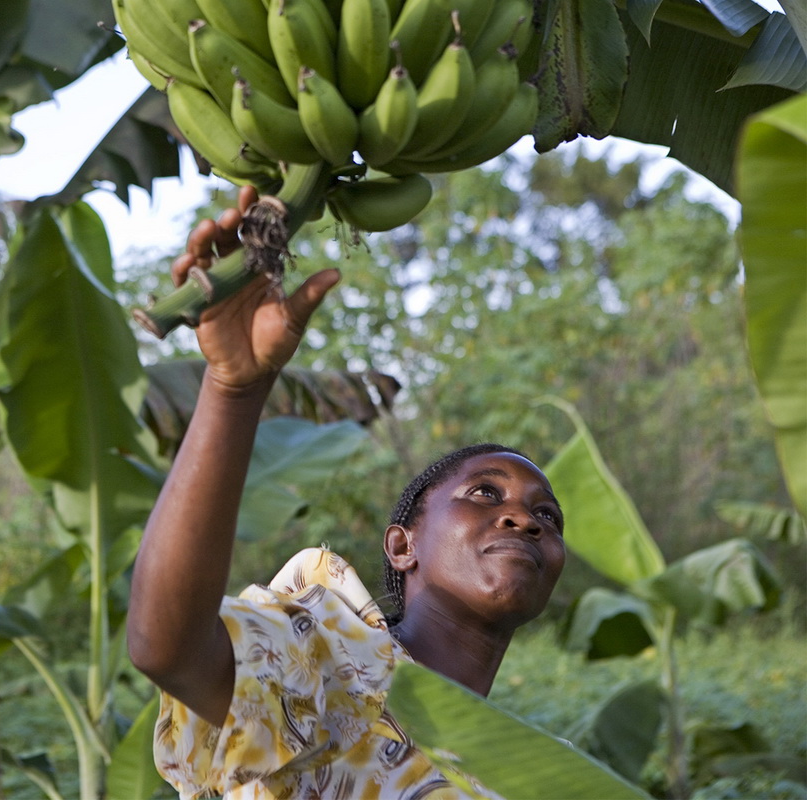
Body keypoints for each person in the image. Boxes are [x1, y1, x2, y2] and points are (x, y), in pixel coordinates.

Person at [127, 186, 567, 799]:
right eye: (486, 494)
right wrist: (233, 389)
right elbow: (167, 647)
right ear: (402, 545)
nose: (524, 518)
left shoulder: (538, 772)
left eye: (548, 515)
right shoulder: (327, 659)